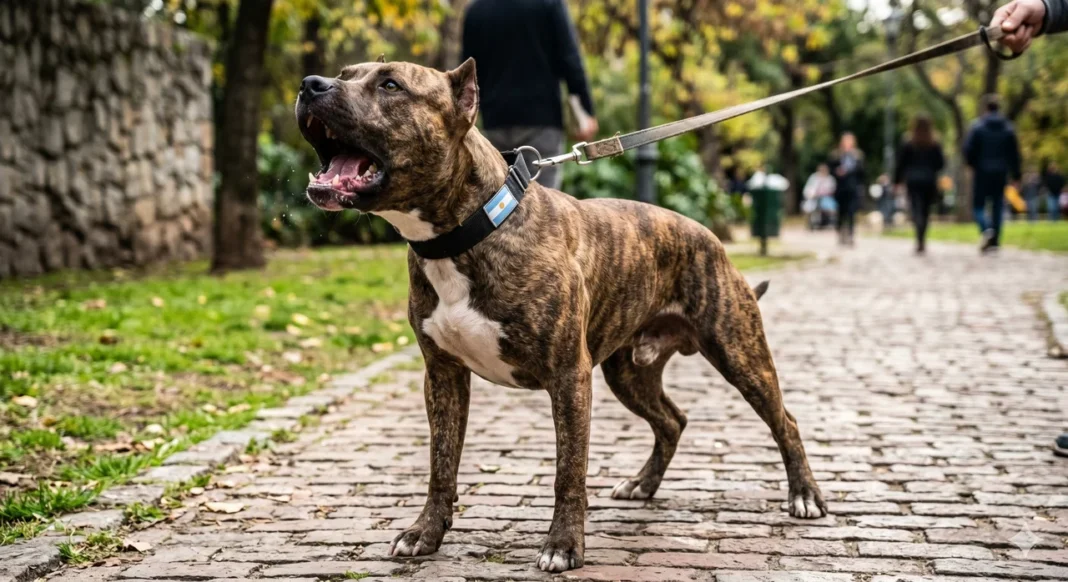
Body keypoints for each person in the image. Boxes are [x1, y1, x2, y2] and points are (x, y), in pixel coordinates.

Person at [991, 0, 1067, 458]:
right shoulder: (1003, 132)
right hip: (996, 178)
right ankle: (993, 233)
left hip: (985, 179)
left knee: (989, 209)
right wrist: (1047, 9)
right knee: (994, 212)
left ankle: (991, 232)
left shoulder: (981, 129)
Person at [461, 0, 598, 190]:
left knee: (500, 202)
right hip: (542, 121)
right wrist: (585, 110)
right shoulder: (549, 4)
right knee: (546, 206)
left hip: (495, 122)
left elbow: (466, 73)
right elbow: (570, 59)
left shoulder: (477, 11)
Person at [963, 94, 1021, 254]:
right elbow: (1014, 154)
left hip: (982, 171)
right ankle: (995, 241)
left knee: (978, 206)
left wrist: (971, 165)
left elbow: (968, 150)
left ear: (986, 108)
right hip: (1000, 172)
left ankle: (987, 229)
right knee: (997, 205)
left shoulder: (977, 127)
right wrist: (1016, 175)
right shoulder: (1008, 127)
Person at [828, 133, 865, 246]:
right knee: (841, 212)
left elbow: (862, 172)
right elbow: (830, 169)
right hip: (840, 188)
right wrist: (837, 172)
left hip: (853, 188)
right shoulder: (836, 155)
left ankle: (850, 234)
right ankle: (840, 233)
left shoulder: (858, 156)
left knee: (851, 212)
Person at [802, 164, 837, 230]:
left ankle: (828, 222)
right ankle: (813, 223)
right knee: (809, 208)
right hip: (814, 198)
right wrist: (812, 194)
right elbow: (808, 189)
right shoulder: (813, 178)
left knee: (829, 207)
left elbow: (832, 189)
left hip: (826, 198)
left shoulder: (830, 179)